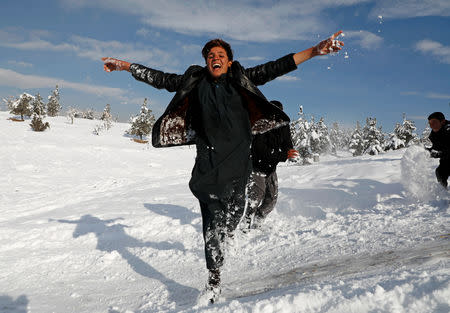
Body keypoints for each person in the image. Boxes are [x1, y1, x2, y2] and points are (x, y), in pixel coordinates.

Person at [102, 31, 344, 303]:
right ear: (206, 62)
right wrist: (125, 66)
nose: (215, 58)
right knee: (212, 223)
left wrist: (313, 51)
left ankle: (226, 242)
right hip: (208, 163)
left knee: (234, 215)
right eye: (210, 56)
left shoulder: (241, 78)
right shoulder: (195, 81)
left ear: (229, 62)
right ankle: (214, 277)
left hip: (240, 162)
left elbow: (277, 67)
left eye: (220, 56)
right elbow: (160, 79)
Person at [244, 100, 298, 231]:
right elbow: (262, 152)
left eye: (279, 112)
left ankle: (258, 222)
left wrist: (290, 152)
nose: (276, 115)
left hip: (271, 168)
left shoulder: (283, 125)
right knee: (255, 198)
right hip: (256, 167)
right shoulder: (260, 125)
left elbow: (287, 143)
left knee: (271, 199)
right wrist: (284, 155)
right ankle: (244, 226)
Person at [427, 112, 450, 188]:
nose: (431, 125)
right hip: (446, 161)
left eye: (434, 122)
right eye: (430, 123)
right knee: (440, 172)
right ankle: (443, 193)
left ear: (442, 121)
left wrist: (440, 153)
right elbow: (434, 147)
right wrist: (427, 152)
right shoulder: (434, 134)